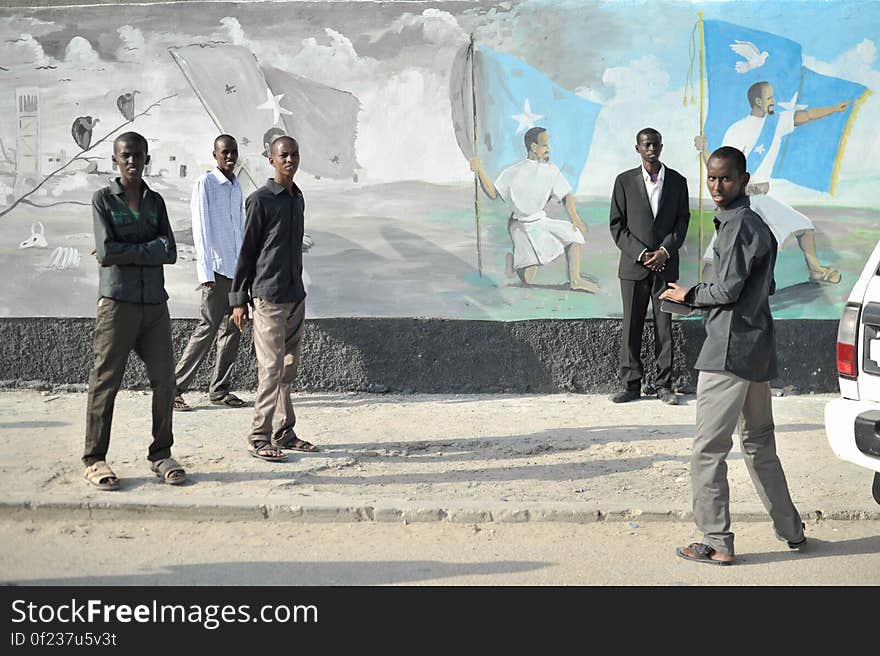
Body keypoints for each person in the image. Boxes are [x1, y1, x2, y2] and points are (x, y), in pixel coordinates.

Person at [660, 146, 806, 565]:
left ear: (743, 179)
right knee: (760, 445)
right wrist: (700, 297)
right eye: (711, 178)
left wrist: (688, 295)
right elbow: (763, 286)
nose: (717, 186)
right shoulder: (752, 225)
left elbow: (726, 290)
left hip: (728, 350)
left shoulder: (740, 226)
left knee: (707, 450)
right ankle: (792, 531)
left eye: (725, 178)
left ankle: (716, 541)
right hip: (755, 348)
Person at [81, 131, 185, 490]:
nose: (132, 161)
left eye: (138, 155)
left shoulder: (156, 202)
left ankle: (161, 454)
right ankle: (94, 459)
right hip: (118, 303)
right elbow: (106, 252)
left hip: (155, 304)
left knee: (165, 381)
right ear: (115, 159)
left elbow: (169, 250)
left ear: (146, 159)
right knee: (106, 381)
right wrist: (148, 249)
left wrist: (133, 250)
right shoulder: (102, 200)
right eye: (125, 155)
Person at [695, 81, 852, 284]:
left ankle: (816, 271)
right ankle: (703, 291)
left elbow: (806, 116)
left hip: (762, 199)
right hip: (743, 200)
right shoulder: (738, 129)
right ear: (758, 101)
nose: (774, 101)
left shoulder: (776, 121)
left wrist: (834, 109)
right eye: (770, 98)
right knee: (717, 250)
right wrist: (703, 150)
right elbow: (720, 167)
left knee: (804, 226)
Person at [229, 135, 319, 462]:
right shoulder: (260, 200)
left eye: (294, 154)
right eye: (283, 155)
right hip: (268, 297)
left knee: (288, 370)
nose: (290, 160)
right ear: (271, 159)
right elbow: (247, 251)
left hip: (295, 296)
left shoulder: (297, 198)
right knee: (270, 369)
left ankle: (284, 431)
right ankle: (258, 435)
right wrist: (238, 299)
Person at [608, 128, 690, 405]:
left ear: (661, 146)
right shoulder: (624, 182)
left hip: (666, 268)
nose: (651, 149)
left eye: (655, 144)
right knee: (631, 326)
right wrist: (642, 254)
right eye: (646, 145)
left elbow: (682, 221)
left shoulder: (678, 181)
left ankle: (663, 385)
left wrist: (665, 250)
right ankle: (631, 384)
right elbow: (617, 226)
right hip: (634, 268)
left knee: (664, 327)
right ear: (638, 149)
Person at [469, 127, 598, 293]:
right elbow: (493, 193)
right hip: (520, 225)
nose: (548, 149)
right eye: (545, 145)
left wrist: (575, 218)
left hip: (540, 221)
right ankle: (514, 262)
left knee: (572, 234)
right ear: (533, 147)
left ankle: (575, 280)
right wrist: (479, 171)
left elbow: (566, 195)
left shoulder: (551, 170)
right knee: (528, 279)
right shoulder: (513, 171)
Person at [173, 135, 246, 411]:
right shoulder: (206, 184)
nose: (230, 156)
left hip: (236, 271)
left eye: (234, 152)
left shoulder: (237, 186)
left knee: (233, 329)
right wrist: (205, 271)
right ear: (214, 155)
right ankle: (174, 387)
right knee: (207, 328)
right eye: (224, 152)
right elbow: (200, 229)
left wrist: (244, 271)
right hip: (215, 269)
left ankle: (219, 390)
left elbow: (239, 229)